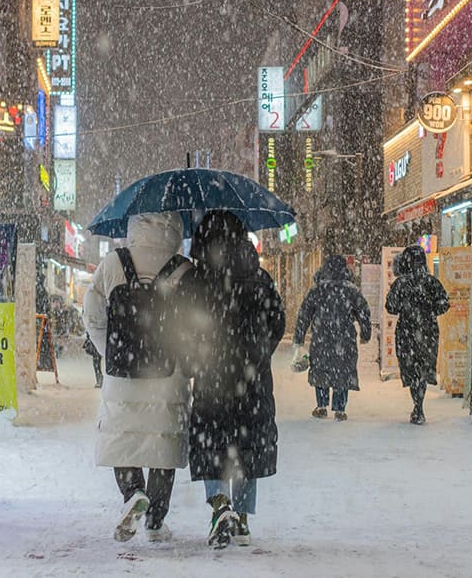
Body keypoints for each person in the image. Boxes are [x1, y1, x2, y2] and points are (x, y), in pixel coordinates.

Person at [177, 210, 285, 549]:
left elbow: (181, 326)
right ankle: (242, 517)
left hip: (213, 375)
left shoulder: (195, 280)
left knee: (212, 439)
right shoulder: (260, 277)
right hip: (252, 378)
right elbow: (278, 321)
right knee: (248, 443)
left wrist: (194, 358)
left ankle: (219, 504)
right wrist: (260, 352)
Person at [82, 212, 192, 543]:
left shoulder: (113, 262)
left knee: (123, 438)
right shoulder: (184, 268)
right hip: (167, 373)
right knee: (162, 444)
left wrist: (109, 351)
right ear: (175, 228)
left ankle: (132, 492)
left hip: (122, 371)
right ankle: (156, 521)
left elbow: (91, 312)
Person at [291, 255, 371, 421]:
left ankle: (321, 406)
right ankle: (340, 409)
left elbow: (304, 314)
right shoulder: (351, 290)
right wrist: (365, 333)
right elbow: (363, 312)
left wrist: (299, 338)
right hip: (345, 338)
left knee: (321, 370)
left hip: (322, 337)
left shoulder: (317, 289)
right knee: (342, 370)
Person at [385, 245, 449, 425]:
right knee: (422, 367)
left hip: (406, 331)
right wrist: (429, 311)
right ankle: (419, 403)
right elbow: (444, 304)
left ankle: (417, 405)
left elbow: (391, 306)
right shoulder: (432, 282)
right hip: (428, 330)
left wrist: (407, 309)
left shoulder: (401, 283)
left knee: (411, 367)